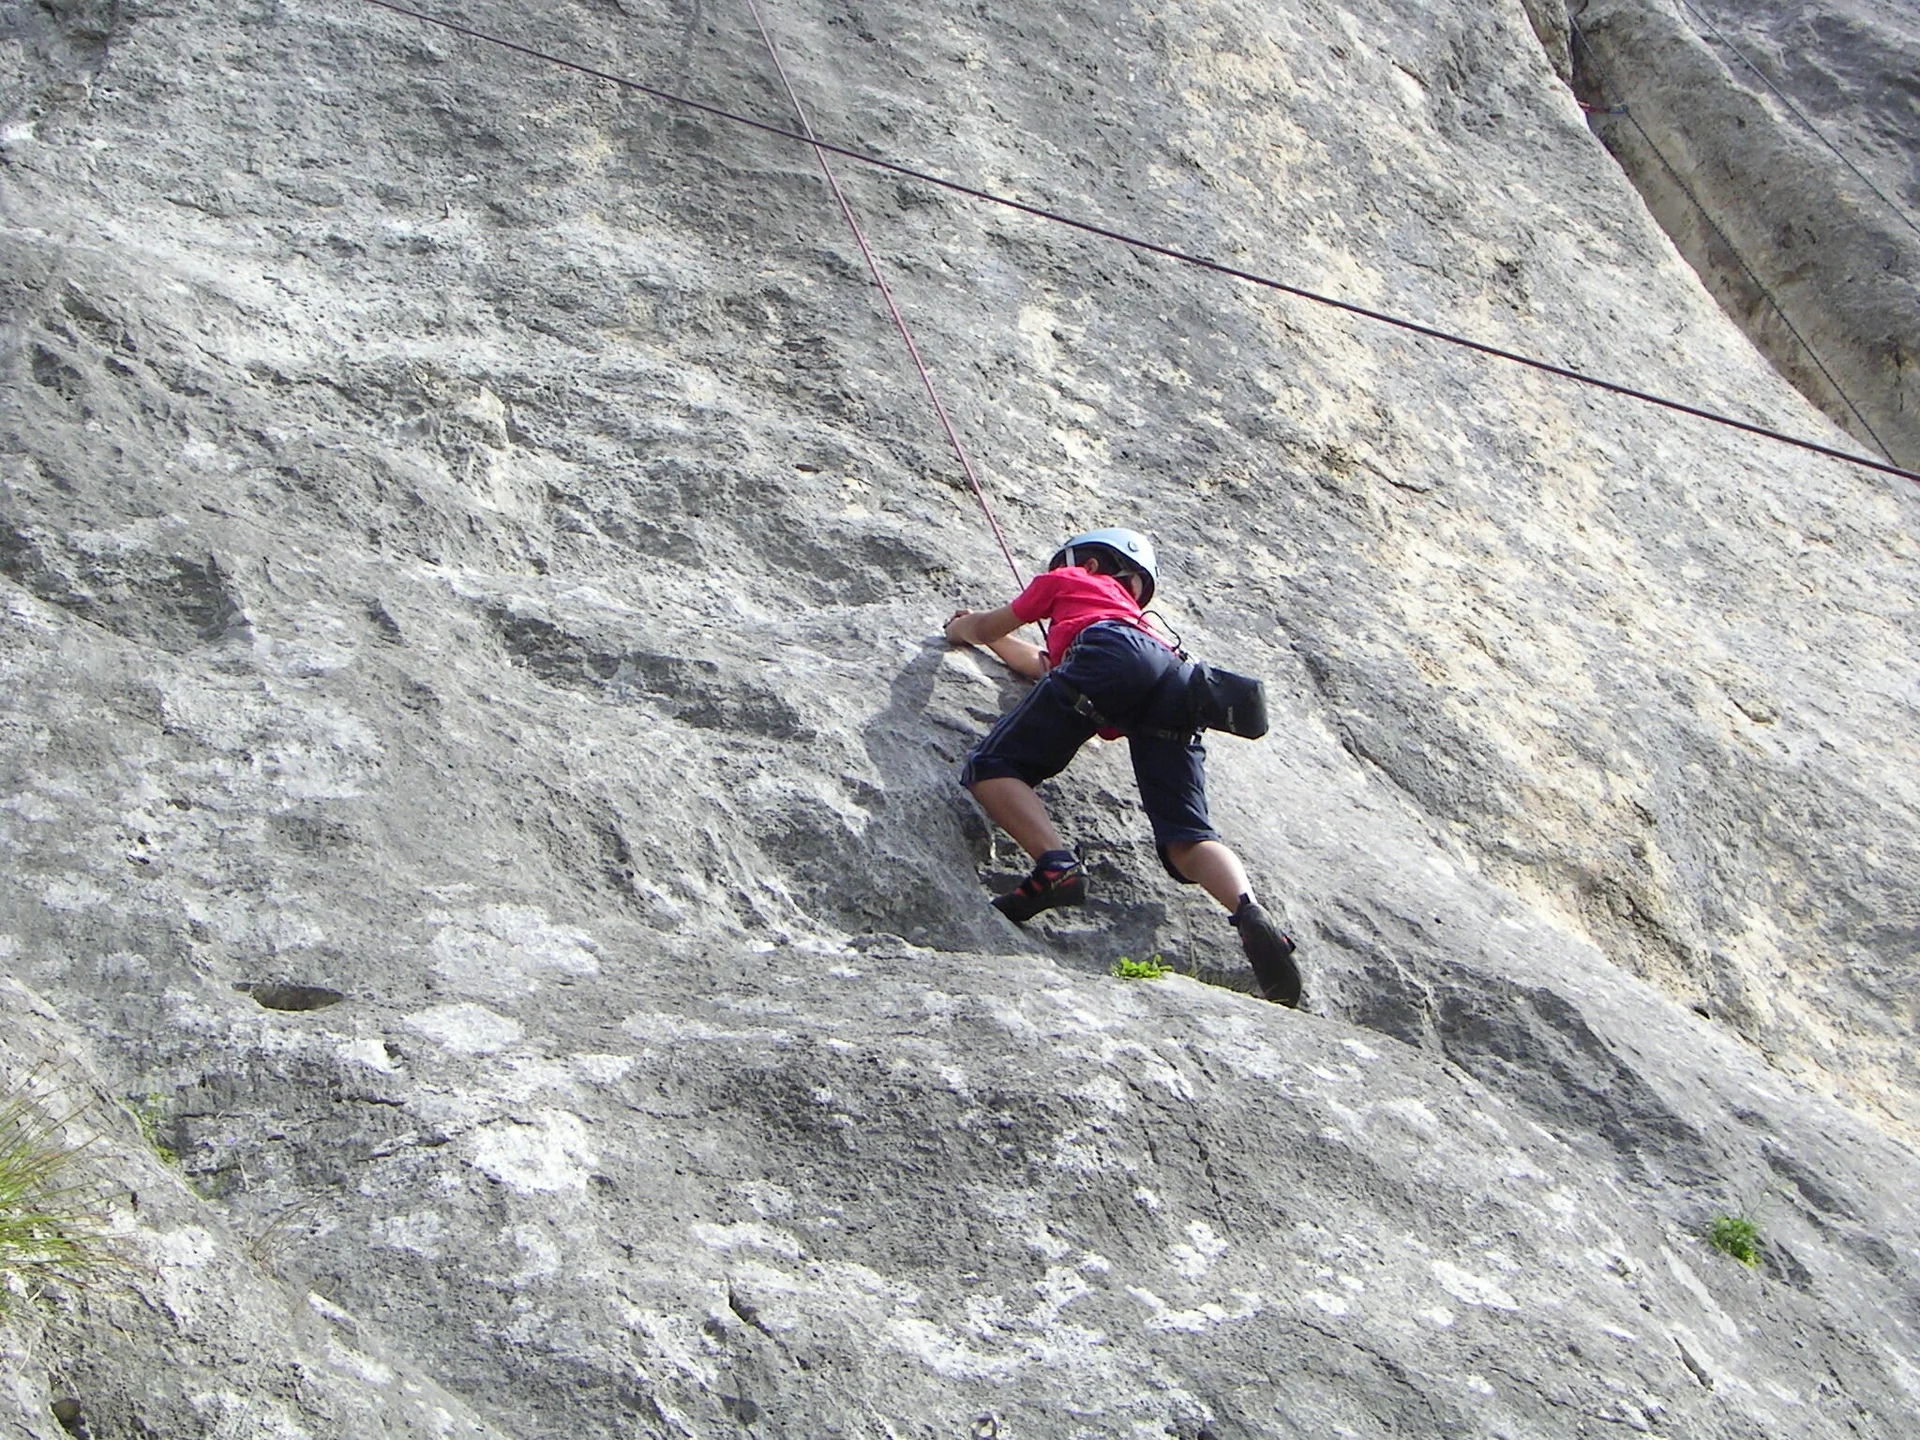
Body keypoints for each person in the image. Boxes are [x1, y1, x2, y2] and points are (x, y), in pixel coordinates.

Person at [944, 528, 1302, 1006]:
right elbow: (1044, 664)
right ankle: (1248, 911)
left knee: (993, 768)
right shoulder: (1141, 624)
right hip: (1177, 681)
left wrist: (963, 629)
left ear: (1088, 565)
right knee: (1187, 838)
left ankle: (1055, 864)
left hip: (1110, 656)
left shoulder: (1069, 579)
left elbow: (989, 626)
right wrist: (1000, 644)